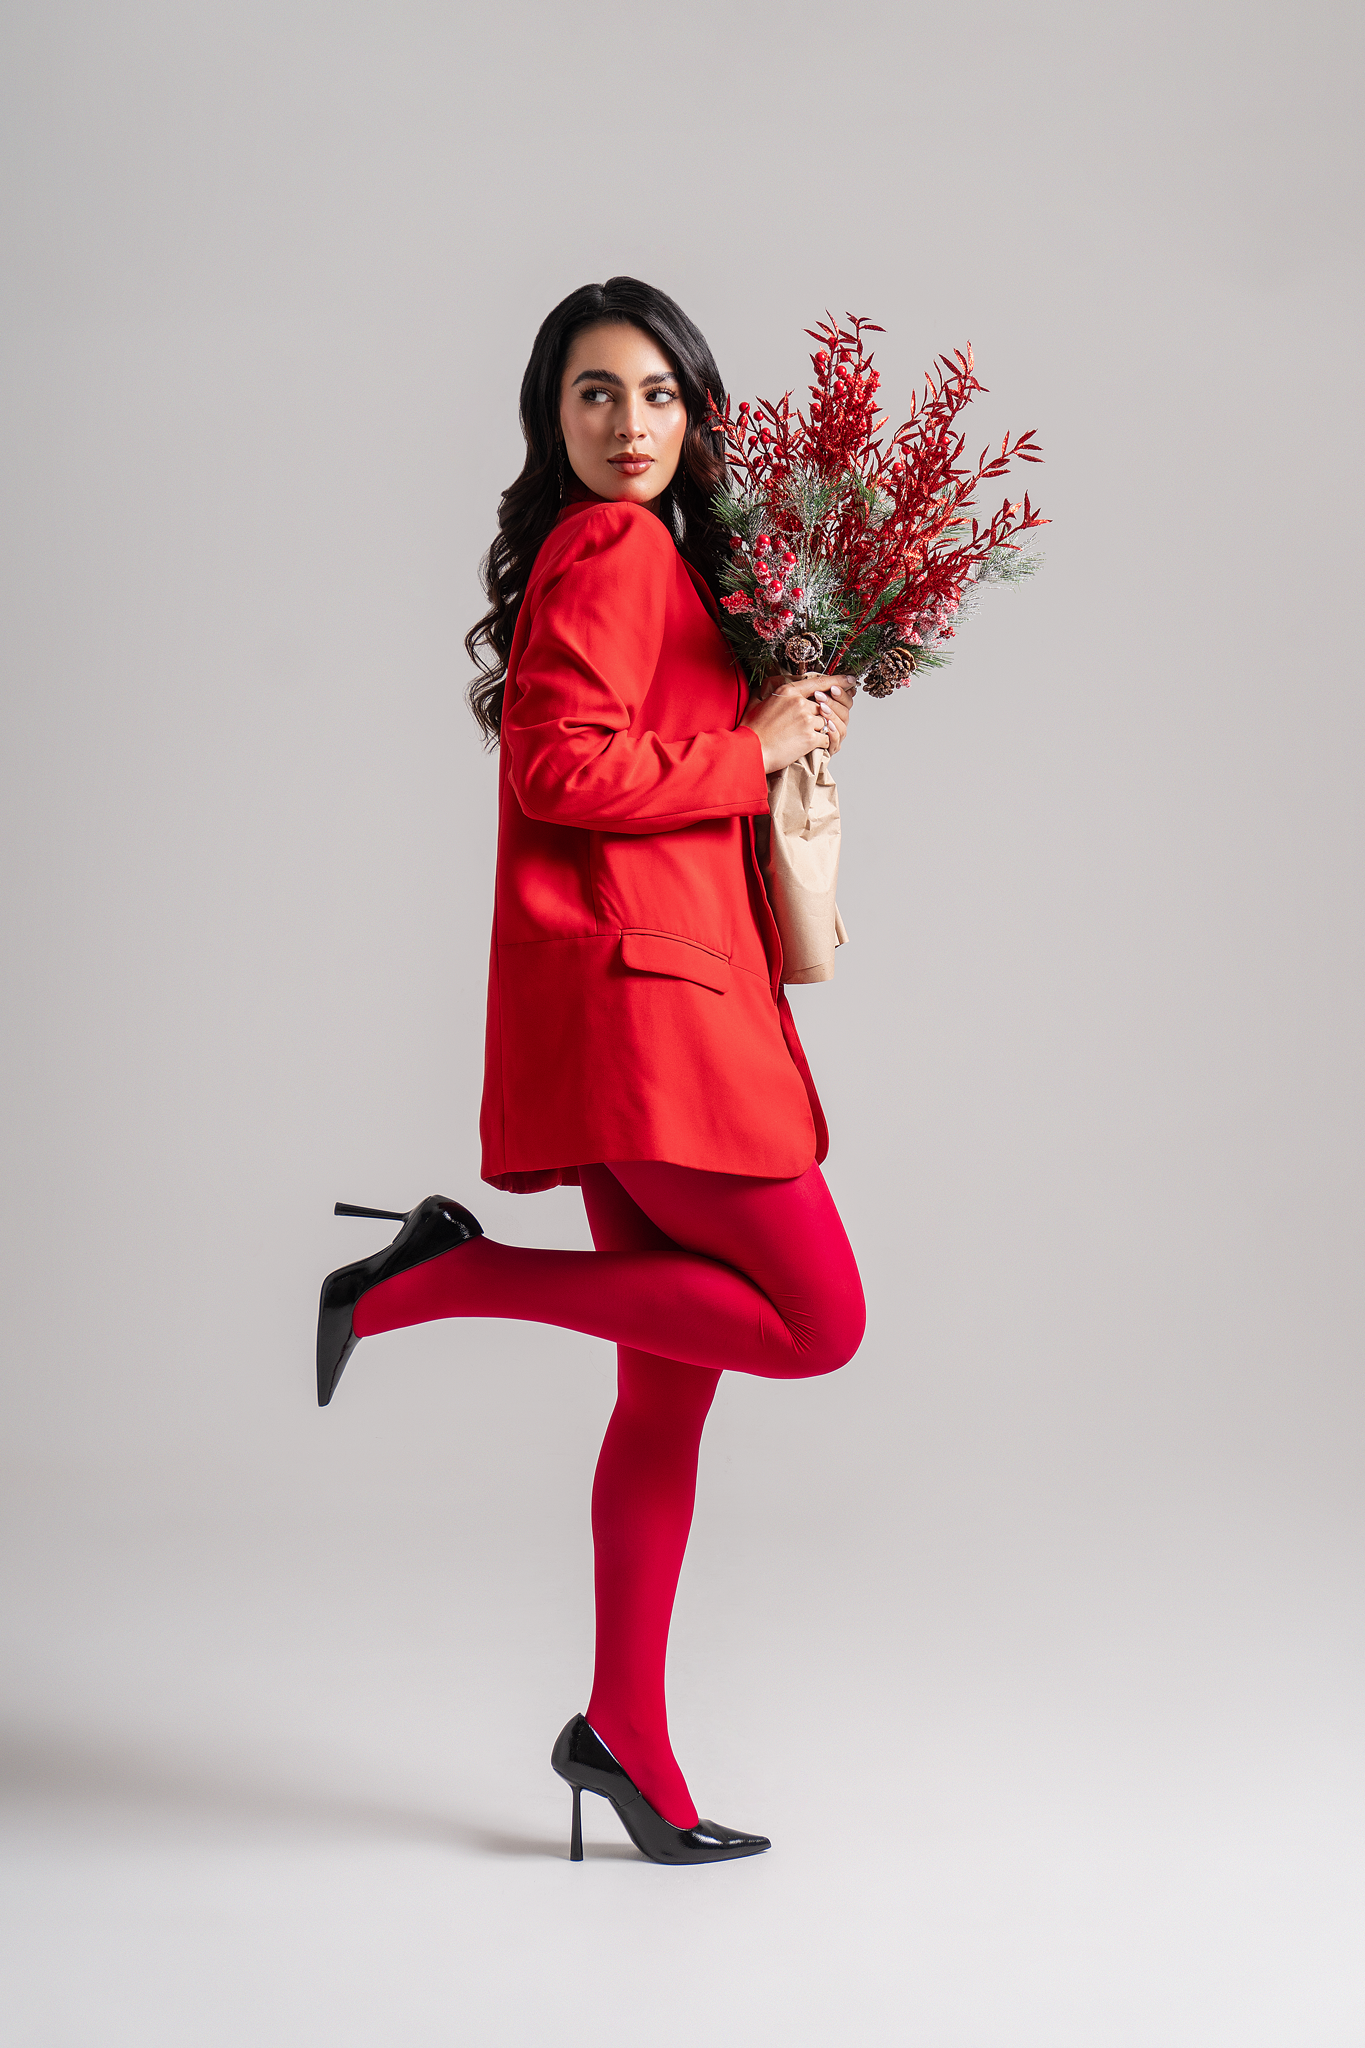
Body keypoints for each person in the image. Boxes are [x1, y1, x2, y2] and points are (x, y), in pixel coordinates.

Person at [316, 277, 865, 1865]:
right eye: (594, 394)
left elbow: (636, 761)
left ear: (697, 414)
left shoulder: (665, 561)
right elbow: (558, 765)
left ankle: (623, 1734)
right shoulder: (615, 545)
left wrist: (779, 722)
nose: (629, 425)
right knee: (818, 1323)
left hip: (658, 994)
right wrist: (750, 751)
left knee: (661, 1408)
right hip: (656, 1017)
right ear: (550, 419)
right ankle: (442, 1278)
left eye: (657, 395)